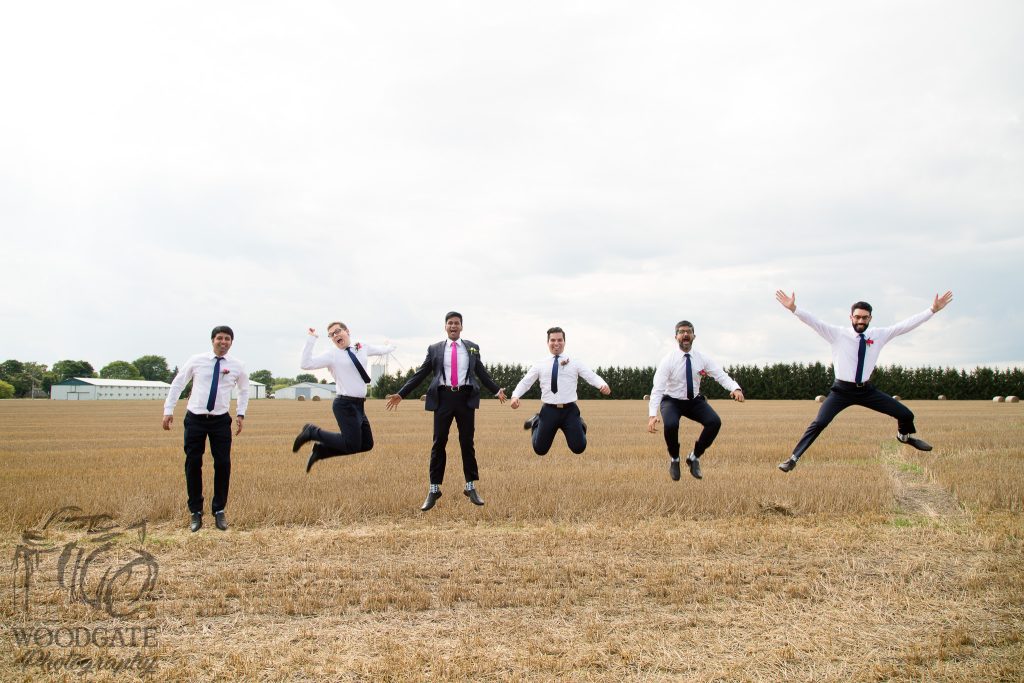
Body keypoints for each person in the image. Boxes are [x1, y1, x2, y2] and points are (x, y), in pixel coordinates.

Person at [775, 290, 954, 472]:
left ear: (870, 318)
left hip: (867, 391)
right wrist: (794, 309)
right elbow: (814, 322)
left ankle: (904, 437)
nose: (861, 321)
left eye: (865, 318)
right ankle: (793, 458)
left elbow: (905, 326)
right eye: (857, 317)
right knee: (820, 423)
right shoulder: (836, 334)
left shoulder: (878, 335)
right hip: (841, 391)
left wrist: (932, 310)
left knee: (906, 415)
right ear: (851, 317)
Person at [385, 311, 506, 511]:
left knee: (467, 442)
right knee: (439, 442)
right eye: (450, 323)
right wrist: (402, 393)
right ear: (445, 326)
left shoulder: (472, 348)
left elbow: (481, 372)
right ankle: (434, 489)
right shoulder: (434, 349)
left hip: (466, 398)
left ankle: (470, 486)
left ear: (461, 326)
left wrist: (496, 390)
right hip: (443, 398)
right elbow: (420, 374)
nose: (453, 326)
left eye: (457, 323)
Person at [163, 325, 250, 532]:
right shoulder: (196, 360)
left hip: (220, 420)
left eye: (227, 339)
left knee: (222, 464)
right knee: (193, 463)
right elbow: (178, 384)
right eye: (219, 338)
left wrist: (240, 413)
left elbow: (244, 390)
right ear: (212, 340)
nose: (223, 342)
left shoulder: (237, 365)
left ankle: (219, 510)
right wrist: (168, 410)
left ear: (231, 342)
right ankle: (196, 511)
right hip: (195, 418)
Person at [291, 322, 396, 473]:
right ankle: (312, 432)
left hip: (359, 405)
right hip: (344, 404)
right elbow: (305, 364)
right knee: (351, 444)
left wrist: (390, 345)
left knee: (366, 444)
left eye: (338, 331)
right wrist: (311, 339)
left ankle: (321, 451)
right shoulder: (332, 355)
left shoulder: (361, 347)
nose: (335, 336)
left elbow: (381, 350)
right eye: (332, 335)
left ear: (347, 331)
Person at [647, 320, 744, 481]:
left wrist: (735, 388)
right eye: (681, 332)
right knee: (671, 425)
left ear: (694, 336)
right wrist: (652, 415)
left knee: (714, 422)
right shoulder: (668, 360)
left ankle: (694, 457)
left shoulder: (701, 358)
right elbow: (657, 389)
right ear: (676, 336)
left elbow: (720, 374)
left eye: (688, 332)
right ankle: (675, 459)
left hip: (694, 401)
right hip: (671, 401)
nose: (685, 334)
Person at [510, 327, 611, 455]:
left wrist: (603, 385)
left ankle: (580, 424)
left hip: (569, 411)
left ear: (564, 342)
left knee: (579, 448)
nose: (556, 343)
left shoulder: (575, 362)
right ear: (548, 342)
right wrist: (515, 396)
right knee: (540, 450)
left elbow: (591, 375)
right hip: (549, 411)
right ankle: (537, 421)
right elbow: (526, 382)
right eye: (553, 340)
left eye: (559, 340)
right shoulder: (540, 364)